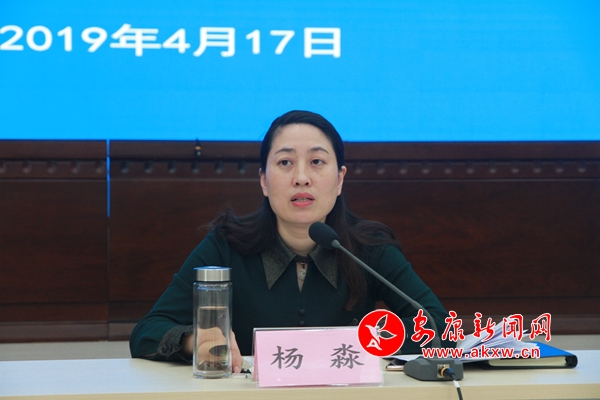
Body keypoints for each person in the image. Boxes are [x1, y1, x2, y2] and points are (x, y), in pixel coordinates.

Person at [129, 110, 452, 372]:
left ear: (340, 179)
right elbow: (147, 331)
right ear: (263, 180)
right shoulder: (226, 245)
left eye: (316, 162)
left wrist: (365, 341)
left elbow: (437, 326)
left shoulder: (367, 247)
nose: (301, 177)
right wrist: (194, 340)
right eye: (285, 162)